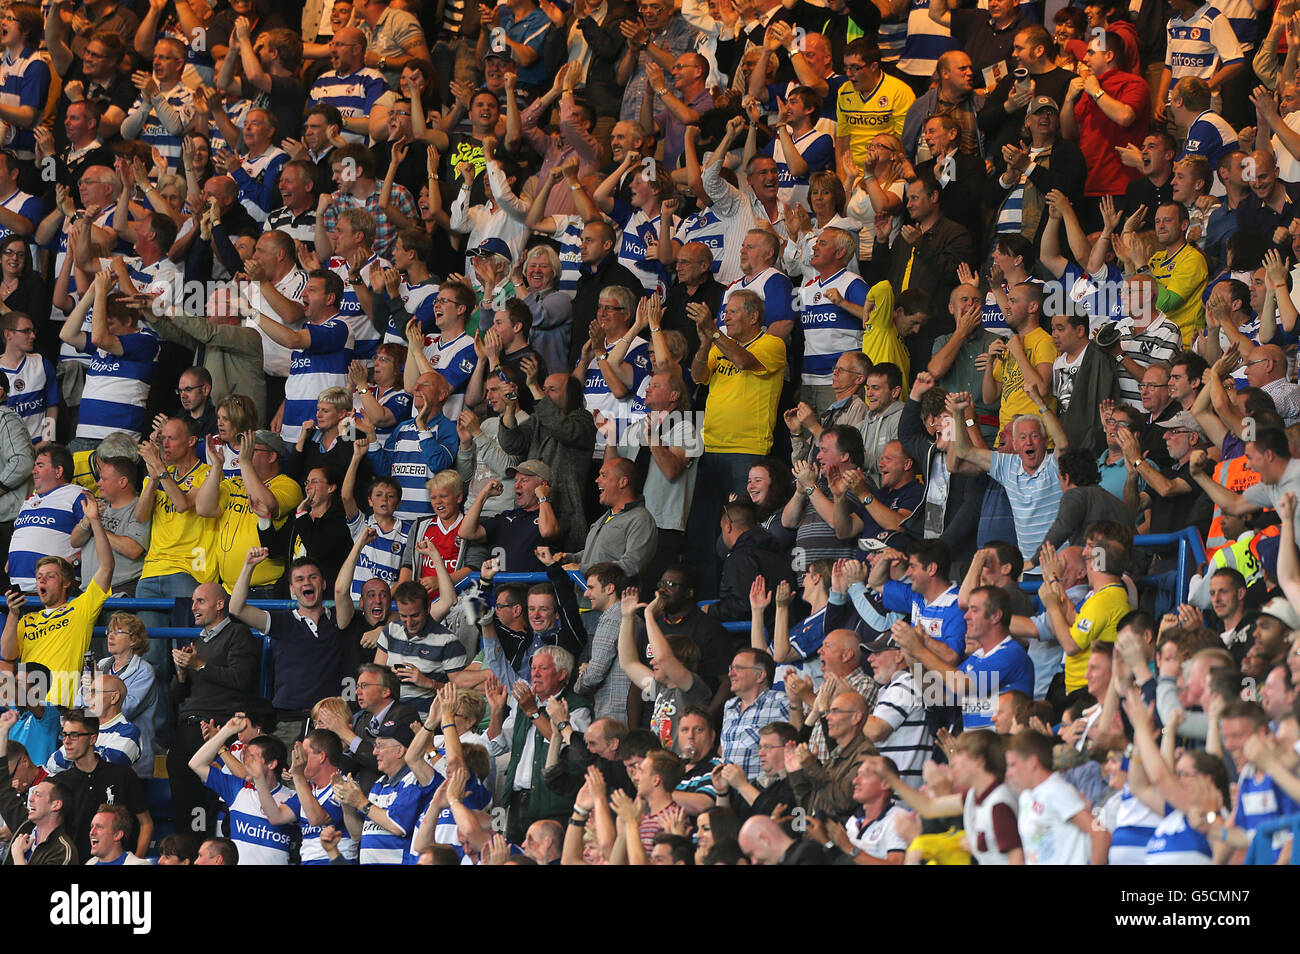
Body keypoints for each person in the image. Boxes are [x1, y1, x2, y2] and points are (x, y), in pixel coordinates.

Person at [167, 582, 262, 842]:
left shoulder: (238, 635)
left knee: (212, 806)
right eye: (193, 601)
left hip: (217, 731)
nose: (193, 607)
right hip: (186, 731)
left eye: (200, 601)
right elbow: (176, 696)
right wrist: (182, 673)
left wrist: (200, 665)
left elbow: (241, 678)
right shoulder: (196, 642)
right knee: (184, 808)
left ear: (220, 605)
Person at [1, 490, 113, 708]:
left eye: (50, 577)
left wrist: (94, 521)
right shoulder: (27, 620)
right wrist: (13, 614)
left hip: (61, 707)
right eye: (39, 577)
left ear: (66, 583)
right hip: (27, 708)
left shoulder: (81, 608)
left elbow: (107, 567)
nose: (42, 581)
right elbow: (6, 654)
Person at [231, 549, 349, 749]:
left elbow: (343, 591)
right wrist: (249, 566)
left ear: (323, 583)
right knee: (283, 776)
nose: (307, 583)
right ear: (292, 589)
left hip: (329, 720)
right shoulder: (282, 621)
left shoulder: (339, 619)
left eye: (313, 577)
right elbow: (236, 608)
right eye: (300, 579)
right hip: (288, 720)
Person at [44, 709, 151, 862]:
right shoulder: (59, 783)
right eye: (64, 734)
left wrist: (136, 862)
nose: (66, 741)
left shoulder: (123, 775)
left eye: (74, 735)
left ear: (92, 739)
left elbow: (146, 823)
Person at [187, 715, 296, 865]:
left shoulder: (292, 796)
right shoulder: (237, 789)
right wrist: (226, 731)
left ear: (271, 764)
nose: (245, 760)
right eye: (245, 755)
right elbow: (196, 764)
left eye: (252, 756)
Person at [0, 710, 77, 865]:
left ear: (56, 804)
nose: (31, 799)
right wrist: (3, 732)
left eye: (38, 795)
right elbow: (2, 787)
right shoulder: (24, 825)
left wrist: (18, 857)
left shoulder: (62, 850)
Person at [84, 803, 151, 865]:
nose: (91, 832)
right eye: (92, 827)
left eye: (99, 827)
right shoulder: (89, 863)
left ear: (117, 835)